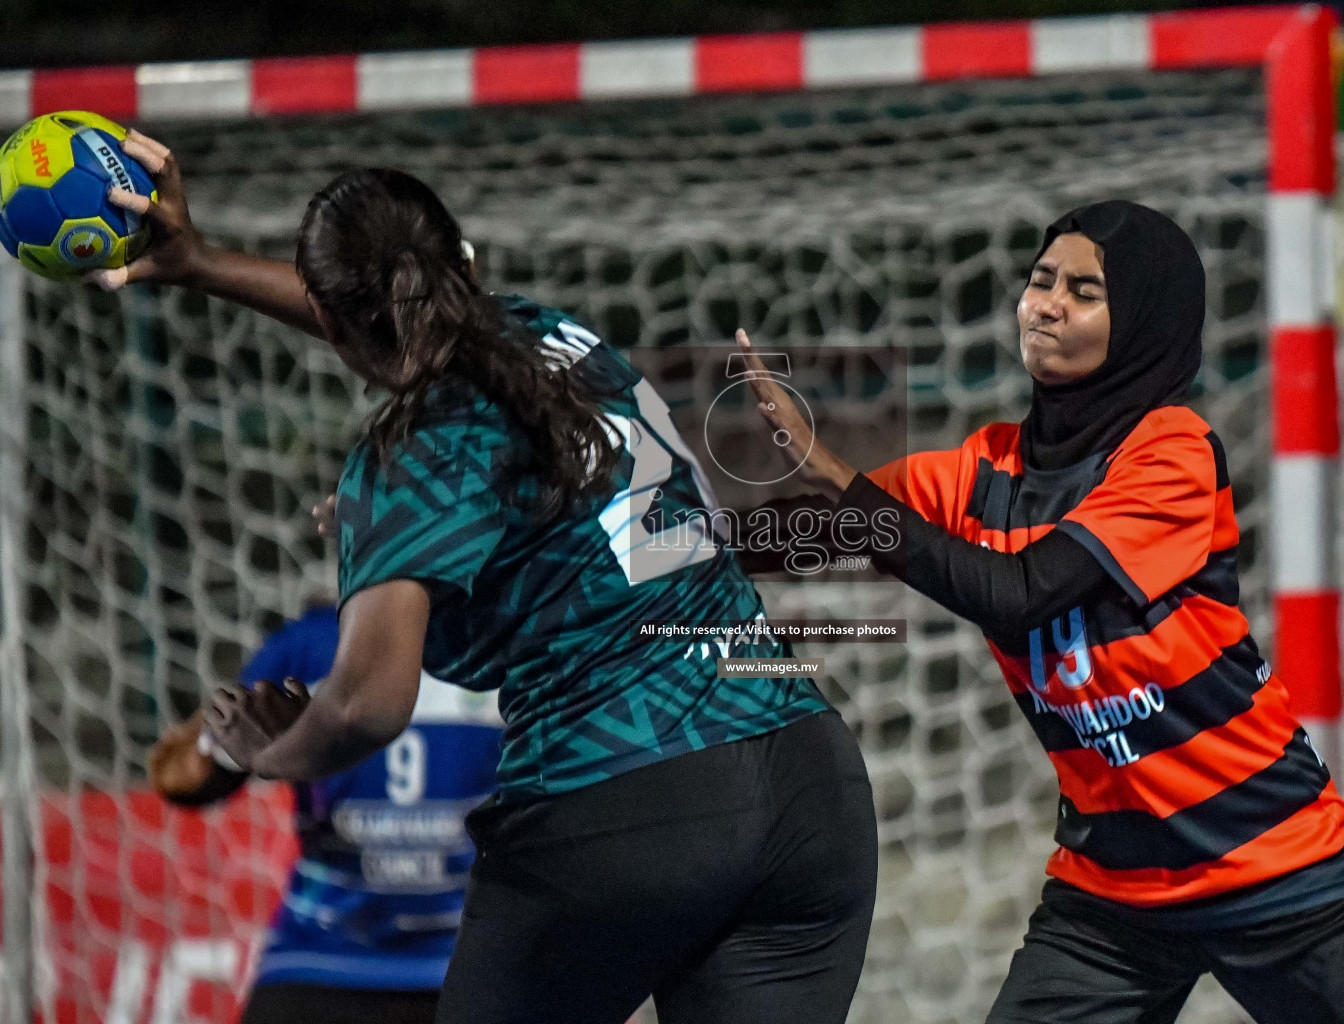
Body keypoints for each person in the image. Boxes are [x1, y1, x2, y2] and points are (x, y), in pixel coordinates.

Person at [100, 130, 876, 1024]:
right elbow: (400, 322)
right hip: (809, 782)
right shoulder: (554, 338)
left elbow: (365, 705)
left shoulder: (403, 464)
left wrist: (270, 752)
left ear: (328, 308)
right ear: (464, 263)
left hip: (627, 802)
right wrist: (201, 265)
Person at [735, 200, 1344, 1024]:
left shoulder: (1171, 453)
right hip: (1112, 898)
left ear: (1143, 322)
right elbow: (788, 533)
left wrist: (833, 473)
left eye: (1083, 291)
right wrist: (631, 524)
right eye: (1041, 281)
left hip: (1274, 865)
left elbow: (1021, 594)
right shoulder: (980, 472)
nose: (1045, 305)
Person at [150, 593, 503, 1024]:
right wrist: (232, 751)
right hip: (322, 952)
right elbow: (184, 778)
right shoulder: (310, 645)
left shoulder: (503, 640)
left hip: (474, 958)